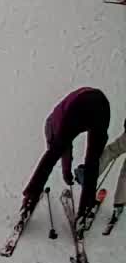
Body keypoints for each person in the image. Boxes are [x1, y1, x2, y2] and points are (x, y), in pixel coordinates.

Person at [20, 87, 110, 232]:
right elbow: (66, 149)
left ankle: (31, 197)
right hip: (102, 105)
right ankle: (85, 210)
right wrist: (68, 172)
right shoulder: (59, 115)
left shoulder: (56, 123)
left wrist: (66, 173)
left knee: (51, 156)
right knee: (92, 162)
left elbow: (61, 150)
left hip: (79, 105)